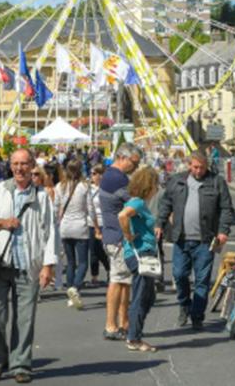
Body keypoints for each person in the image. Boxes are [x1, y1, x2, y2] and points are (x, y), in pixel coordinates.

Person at [0, 149, 57, 383]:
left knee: (25, 318)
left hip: (28, 264)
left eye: (24, 163)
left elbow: (51, 231)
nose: (20, 168)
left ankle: (21, 364)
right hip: (0, 263)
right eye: (16, 163)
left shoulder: (41, 196)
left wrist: (48, 265)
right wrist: (1, 222)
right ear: (10, 166)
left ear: (32, 165)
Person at [156, 151, 234, 330]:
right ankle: (184, 305)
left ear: (207, 166)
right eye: (195, 167)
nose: (198, 171)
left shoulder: (216, 182)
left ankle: (197, 315)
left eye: (202, 168)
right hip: (181, 239)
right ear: (189, 165)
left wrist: (223, 231)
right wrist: (159, 223)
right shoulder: (177, 181)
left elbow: (226, 208)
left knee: (202, 280)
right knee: (179, 275)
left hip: (205, 241)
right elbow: (166, 204)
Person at [99, 143, 143, 341]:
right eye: (134, 162)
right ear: (123, 158)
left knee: (124, 281)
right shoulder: (117, 178)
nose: (136, 166)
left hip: (114, 235)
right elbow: (135, 203)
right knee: (117, 281)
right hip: (118, 236)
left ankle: (123, 322)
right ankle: (111, 325)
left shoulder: (111, 175)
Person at [118, 166, 161, 352]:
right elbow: (123, 215)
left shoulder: (139, 203)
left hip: (144, 253)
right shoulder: (138, 203)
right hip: (140, 253)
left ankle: (134, 331)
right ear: (148, 186)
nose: (157, 189)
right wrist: (128, 234)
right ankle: (134, 337)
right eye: (155, 185)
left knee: (148, 296)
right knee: (141, 296)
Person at [55, 159, 91, 309]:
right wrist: (95, 224)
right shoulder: (84, 187)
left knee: (70, 262)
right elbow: (89, 208)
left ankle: (70, 292)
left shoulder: (60, 186)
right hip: (80, 227)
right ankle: (75, 288)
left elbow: (56, 206)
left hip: (65, 227)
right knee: (83, 262)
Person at [88, 164, 109, 285]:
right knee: (93, 251)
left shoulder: (106, 189)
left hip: (103, 222)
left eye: (96, 173)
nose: (94, 176)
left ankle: (108, 268)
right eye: (92, 173)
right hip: (91, 222)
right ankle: (94, 276)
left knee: (102, 249)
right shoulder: (88, 188)